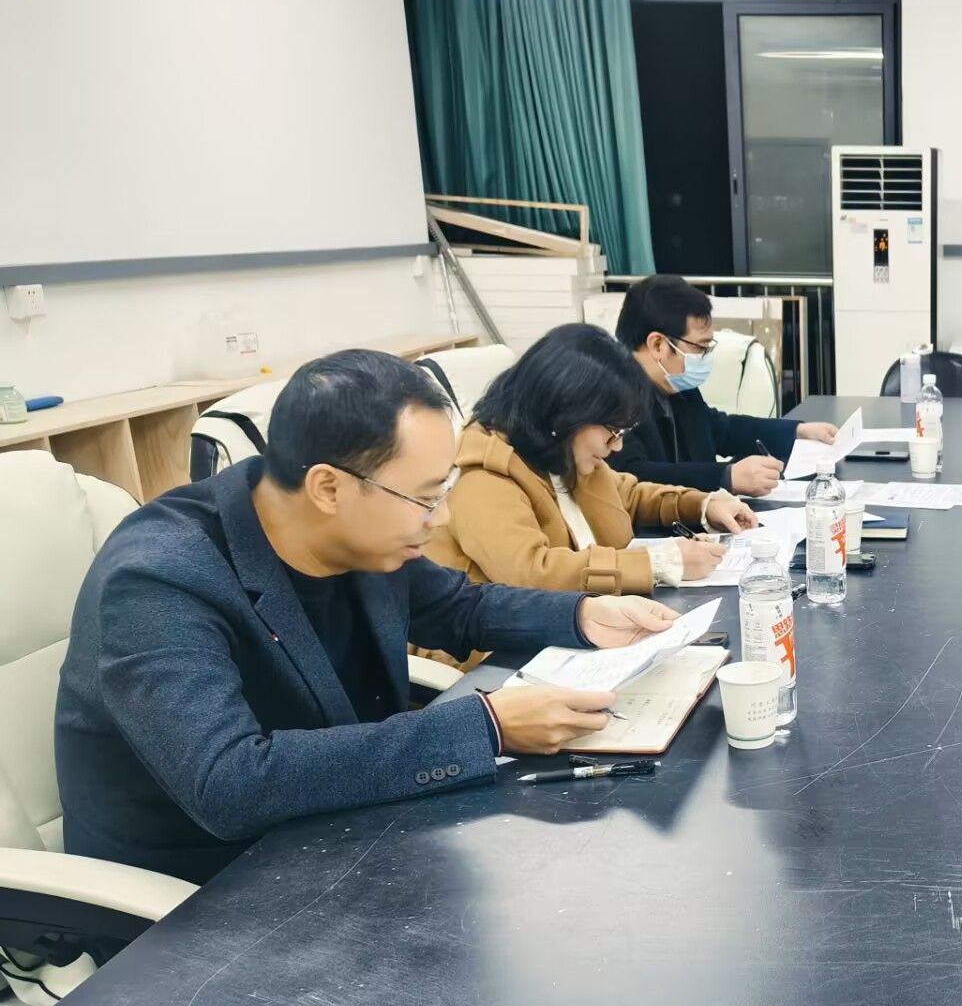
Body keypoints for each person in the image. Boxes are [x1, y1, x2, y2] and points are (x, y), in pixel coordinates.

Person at [57, 350, 682, 884]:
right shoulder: (160, 577)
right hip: (208, 889)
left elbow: (460, 607)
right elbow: (231, 783)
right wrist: (487, 727)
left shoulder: (355, 530)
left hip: (338, 830)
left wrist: (585, 614)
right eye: (425, 498)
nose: (439, 519)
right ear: (328, 487)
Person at [426, 323, 757, 596]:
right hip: (503, 652)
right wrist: (656, 563)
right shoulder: (483, 476)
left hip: (582, 625)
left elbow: (629, 494)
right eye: (613, 432)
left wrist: (703, 505)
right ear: (564, 413)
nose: (617, 446)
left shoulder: (563, 451)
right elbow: (532, 572)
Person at [611, 275, 839, 498]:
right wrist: (726, 477)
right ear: (658, 345)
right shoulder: (613, 399)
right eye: (700, 348)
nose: (705, 357)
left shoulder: (677, 386)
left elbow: (721, 430)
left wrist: (797, 432)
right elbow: (634, 477)